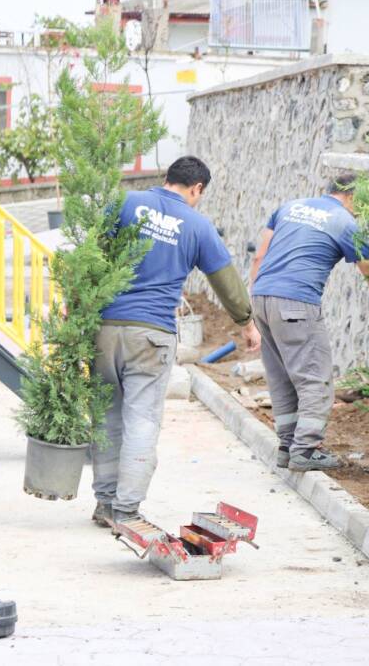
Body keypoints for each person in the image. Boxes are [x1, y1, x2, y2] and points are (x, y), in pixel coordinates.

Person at [92, 156, 261, 530]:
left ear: (166, 178)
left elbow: (90, 255)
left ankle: (104, 503)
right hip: (151, 333)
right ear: (197, 188)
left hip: (105, 326)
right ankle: (126, 510)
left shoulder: (124, 203)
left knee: (106, 418)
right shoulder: (198, 226)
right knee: (141, 420)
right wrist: (246, 323)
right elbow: (226, 282)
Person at [249, 173, 369, 472]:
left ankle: (287, 447)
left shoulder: (289, 207)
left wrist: (254, 307)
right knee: (315, 379)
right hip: (297, 303)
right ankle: (304, 451)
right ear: (352, 197)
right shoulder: (345, 223)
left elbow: (259, 256)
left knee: (282, 379)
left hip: (262, 299)